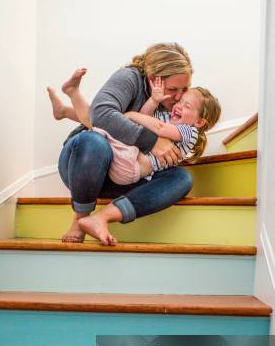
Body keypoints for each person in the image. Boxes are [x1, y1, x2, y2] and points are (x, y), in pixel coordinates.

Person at [51, 43, 196, 246]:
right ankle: (80, 216)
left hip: (127, 173)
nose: (179, 97)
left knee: (181, 178)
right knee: (94, 141)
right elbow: (100, 114)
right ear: (154, 78)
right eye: (173, 89)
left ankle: (101, 218)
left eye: (185, 89)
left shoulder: (176, 108)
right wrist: (151, 141)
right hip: (86, 163)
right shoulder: (129, 77)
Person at [48, 72, 221, 185]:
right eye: (180, 101)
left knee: (104, 123)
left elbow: (157, 127)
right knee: (106, 123)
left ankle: (73, 94)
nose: (178, 105)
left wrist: (129, 115)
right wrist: (153, 100)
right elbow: (144, 116)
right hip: (127, 157)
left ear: (199, 122)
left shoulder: (190, 132)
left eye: (187, 106)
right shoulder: (169, 117)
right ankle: (63, 110)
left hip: (130, 166)